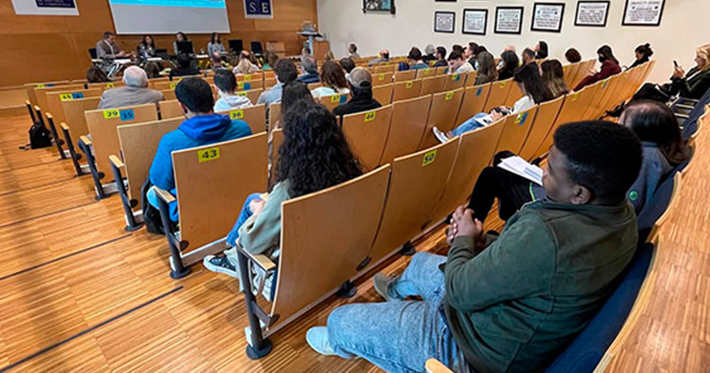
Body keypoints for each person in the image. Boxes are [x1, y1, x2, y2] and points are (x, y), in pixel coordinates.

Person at [307, 120, 641, 373]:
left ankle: (348, 339)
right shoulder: (620, 213)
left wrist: (465, 239)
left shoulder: (546, 236)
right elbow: (531, 267)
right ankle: (397, 297)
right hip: (498, 317)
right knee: (420, 262)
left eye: (550, 171)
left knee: (339, 320)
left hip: (471, 347)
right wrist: (484, 242)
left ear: (580, 194)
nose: (541, 172)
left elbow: (460, 292)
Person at [203, 100, 362, 276]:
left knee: (253, 203)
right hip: (331, 251)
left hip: (292, 268)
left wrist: (258, 211)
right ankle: (231, 253)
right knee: (255, 197)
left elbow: (250, 243)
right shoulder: (349, 171)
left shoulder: (287, 190)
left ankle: (234, 258)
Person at [468, 101, 688, 223]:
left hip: (563, 203)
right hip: (575, 194)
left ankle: (472, 222)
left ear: (640, 132)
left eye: (622, 124)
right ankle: (510, 217)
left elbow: (619, 203)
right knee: (505, 157)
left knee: (493, 174)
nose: (617, 127)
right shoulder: (655, 153)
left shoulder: (642, 161)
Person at [147, 77, 252, 222]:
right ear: (214, 100)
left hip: (192, 208)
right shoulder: (242, 128)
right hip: (238, 196)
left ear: (182, 107)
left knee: (152, 193)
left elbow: (160, 182)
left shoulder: (171, 142)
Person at [434, 63, 552, 142]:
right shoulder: (544, 94)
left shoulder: (526, 100)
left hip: (505, 132)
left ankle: (452, 138)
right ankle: (452, 135)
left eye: (519, 86)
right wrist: (508, 111)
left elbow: (511, 124)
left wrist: (497, 119)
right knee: (480, 116)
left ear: (525, 83)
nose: (519, 89)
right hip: (522, 129)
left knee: (478, 122)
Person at [629, 44, 710, 104]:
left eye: (699, 57)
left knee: (647, 91)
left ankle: (625, 111)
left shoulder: (707, 75)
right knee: (647, 88)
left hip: (680, 100)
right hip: (673, 91)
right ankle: (626, 110)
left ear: (706, 59)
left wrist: (682, 78)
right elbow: (678, 83)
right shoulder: (696, 69)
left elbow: (689, 94)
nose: (695, 59)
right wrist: (676, 76)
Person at [98, 66, 163, 109]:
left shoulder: (107, 95)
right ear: (146, 82)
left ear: (123, 81)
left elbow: (99, 115)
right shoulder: (157, 96)